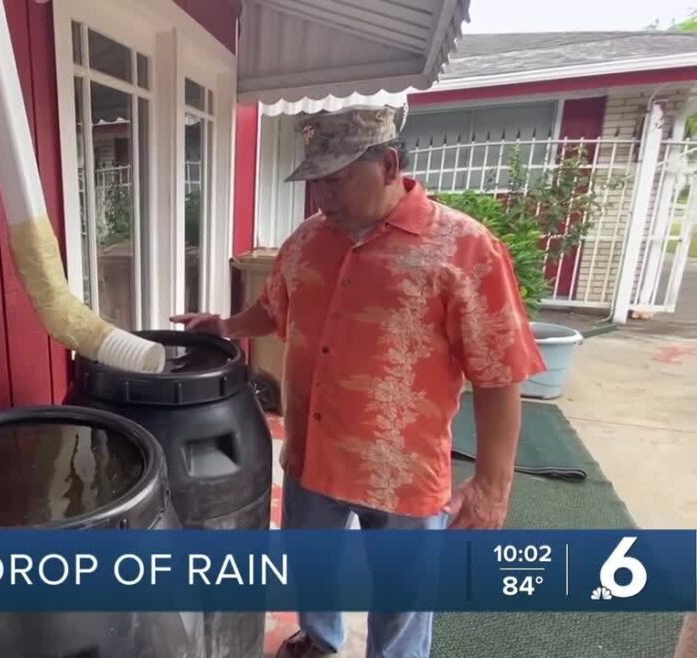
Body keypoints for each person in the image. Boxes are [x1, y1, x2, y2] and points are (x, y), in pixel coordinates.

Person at [172, 106, 546, 658]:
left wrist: (493, 484)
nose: (324, 195)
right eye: (317, 180)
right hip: (314, 456)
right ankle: (320, 642)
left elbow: (500, 369)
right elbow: (275, 308)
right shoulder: (307, 240)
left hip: (403, 471)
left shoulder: (465, 248)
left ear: (390, 164)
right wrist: (225, 326)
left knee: (401, 593)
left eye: (338, 178)